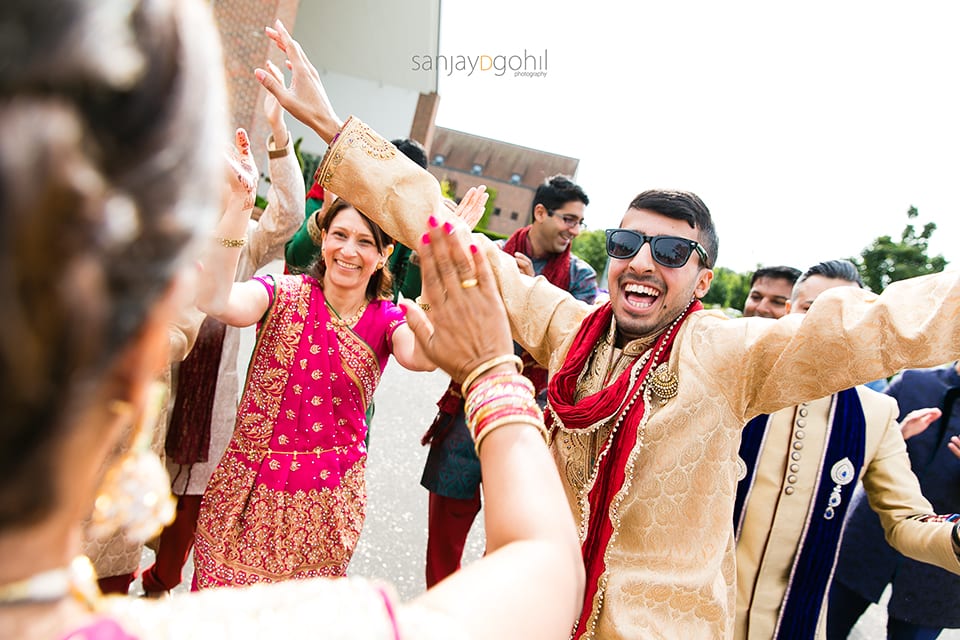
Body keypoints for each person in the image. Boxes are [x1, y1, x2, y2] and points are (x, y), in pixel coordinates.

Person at [256, 21, 960, 638]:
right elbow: (454, 242)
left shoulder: (731, 354)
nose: (642, 261)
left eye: (673, 251)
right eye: (626, 243)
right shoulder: (572, 330)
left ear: (705, 279)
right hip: (550, 616)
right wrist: (334, 131)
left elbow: (882, 323)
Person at [0, 1, 584, 638]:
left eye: (366, 242)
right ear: (322, 238)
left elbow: (420, 353)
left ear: (384, 255)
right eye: (339, 236)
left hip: (321, 508)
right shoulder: (284, 292)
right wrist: (491, 370)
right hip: (245, 497)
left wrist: (443, 278)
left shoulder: (387, 318)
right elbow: (222, 300)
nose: (348, 251)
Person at [138, 64, 306, 596]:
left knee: (191, 493)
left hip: (210, 390)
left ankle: (162, 579)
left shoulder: (248, 238)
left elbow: (290, 214)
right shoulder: (166, 234)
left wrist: (278, 136)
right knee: (138, 479)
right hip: (157, 374)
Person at [733, 260, 960, 640]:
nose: (825, 325)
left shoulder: (874, 413)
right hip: (699, 613)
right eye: (811, 309)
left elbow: (907, 519)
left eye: (844, 315)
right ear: (790, 310)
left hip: (792, 624)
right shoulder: (732, 384)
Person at [421, 174, 596, 587]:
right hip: (465, 413)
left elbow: (576, 348)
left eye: (579, 223)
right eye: (569, 220)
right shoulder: (487, 256)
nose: (574, 230)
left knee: (513, 543)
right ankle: (441, 609)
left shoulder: (582, 278)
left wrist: (531, 291)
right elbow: (448, 312)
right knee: (444, 539)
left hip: (533, 424)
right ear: (540, 213)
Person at [829, 360, 960, 640]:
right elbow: (850, 450)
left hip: (940, 566)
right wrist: (896, 435)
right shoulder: (914, 381)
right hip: (868, 533)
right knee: (824, 627)